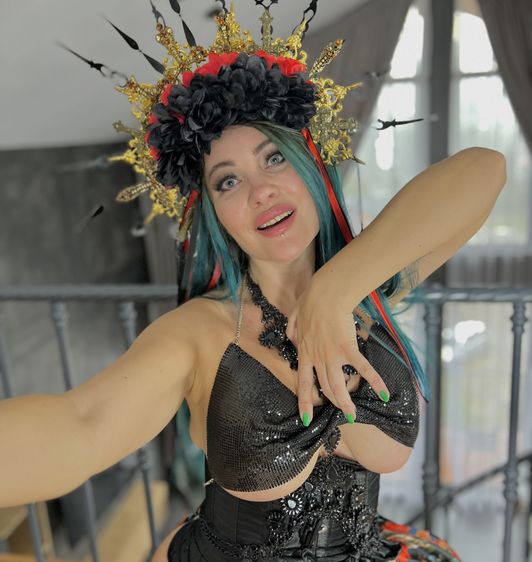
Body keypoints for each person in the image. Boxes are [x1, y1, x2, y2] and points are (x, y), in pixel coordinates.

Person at [0, 2, 506, 561]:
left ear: (311, 166)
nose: (260, 191)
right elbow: (80, 425)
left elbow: (485, 169)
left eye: (274, 158)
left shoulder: (370, 292)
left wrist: (334, 292)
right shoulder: (200, 332)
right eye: (228, 181)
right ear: (215, 213)